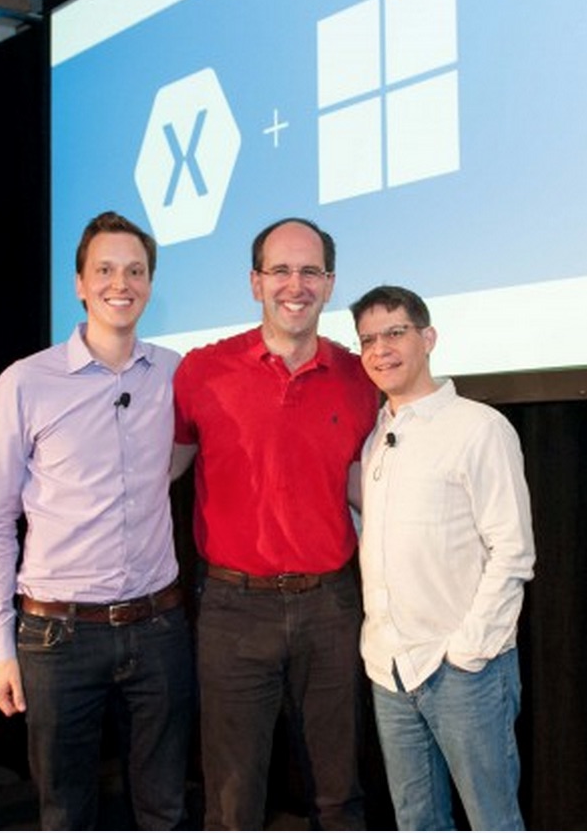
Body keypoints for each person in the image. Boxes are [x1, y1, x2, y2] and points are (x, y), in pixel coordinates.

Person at [0, 211, 194, 830]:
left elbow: (176, 462)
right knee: (66, 812)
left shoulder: (176, 374)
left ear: (149, 284)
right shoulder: (25, 383)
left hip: (158, 628)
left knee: (166, 809)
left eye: (134, 270)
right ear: (78, 283)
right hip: (57, 638)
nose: (119, 283)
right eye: (104, 269)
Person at [171, 217, 376, 830]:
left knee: (340, 792)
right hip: (235, 610)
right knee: (233, 801)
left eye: (310, 270)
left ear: (330, 283)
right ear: (255, 282)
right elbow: (159, 476)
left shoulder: (360, 376)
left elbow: (374, 489)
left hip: (331, 607)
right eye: (281, 270)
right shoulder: (201, 372)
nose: (296, 284)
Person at [349, 284, 537, 831]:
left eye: (395, 333)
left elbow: (513, 552)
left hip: (463, 672)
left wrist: (469, 650)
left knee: (493, 821)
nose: (380, 349)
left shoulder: (479, 428)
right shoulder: (376, 437)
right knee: (416, 822)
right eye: (367, 340)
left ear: (427, 338)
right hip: (391, 670)